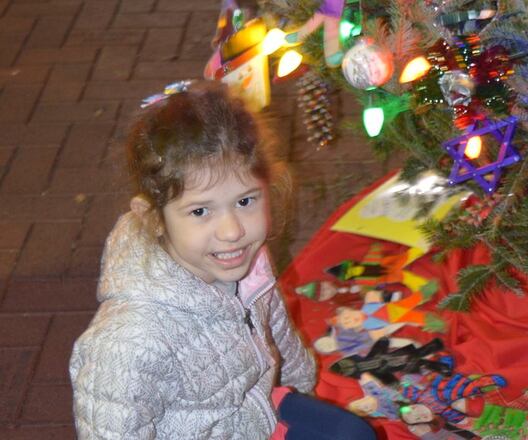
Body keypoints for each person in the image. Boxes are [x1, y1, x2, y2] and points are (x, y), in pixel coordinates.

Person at [69, 80, 376, 439]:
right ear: (153, 217)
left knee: (353, 434)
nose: (232, 231)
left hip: (254, 414)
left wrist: (301, 385)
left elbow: (277, 331)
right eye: (200, 211)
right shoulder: (130, 340)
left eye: (246, 201)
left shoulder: (247, 263)